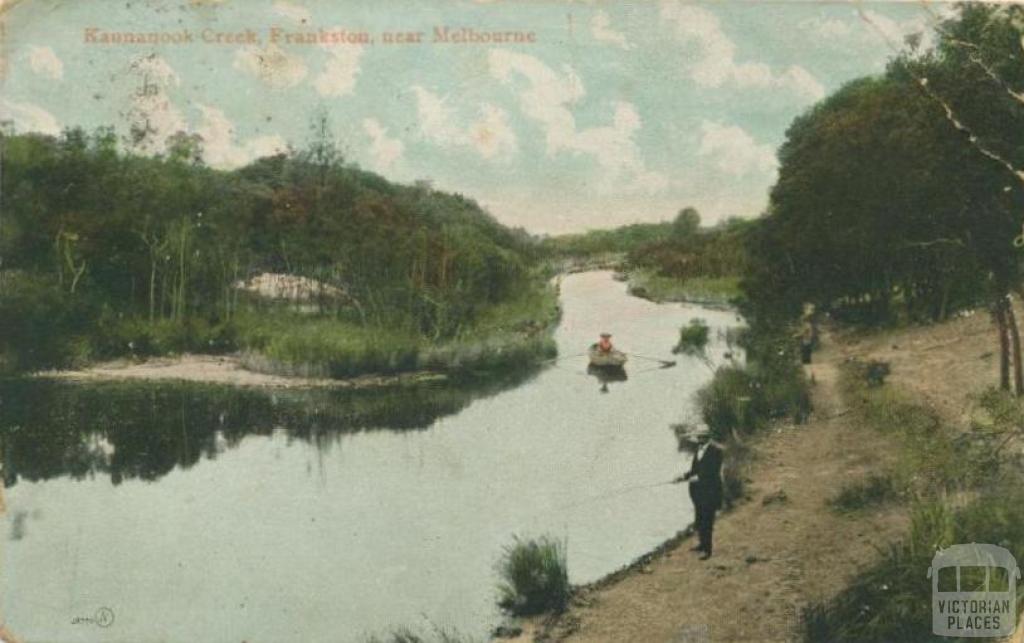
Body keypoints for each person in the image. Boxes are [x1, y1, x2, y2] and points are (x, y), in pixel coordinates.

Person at [675, 429, 724, 560]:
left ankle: (708, 551)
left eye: (701, 437)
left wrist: (697, 478)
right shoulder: (699, 449)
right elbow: (695, 469)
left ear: (708, 437)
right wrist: (683, 476)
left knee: (707, 521)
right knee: (700, 518)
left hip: (710, 491)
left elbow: (712, 472)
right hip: (698, 492)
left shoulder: (716, 451)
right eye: (698, 437)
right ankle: (702, 545)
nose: (699, 439)